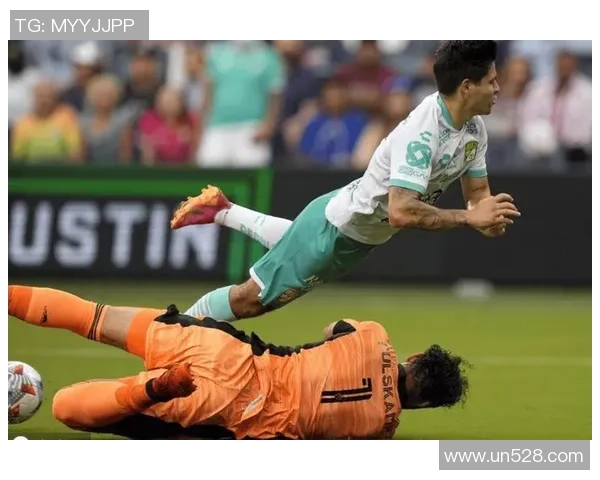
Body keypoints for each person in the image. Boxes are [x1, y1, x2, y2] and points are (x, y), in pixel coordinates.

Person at [171, 41, 521, 323]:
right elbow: (401, 211)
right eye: (491, 81)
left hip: (348, 229)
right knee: (251, 300)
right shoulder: (422, 133)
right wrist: (468, 217)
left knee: (294, 244)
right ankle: (173, 330)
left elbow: (477, 193)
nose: (497, 87)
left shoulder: (474, 129)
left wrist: (484, 214)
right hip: (335, 234)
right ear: (466, 87)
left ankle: (222, 210)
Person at [8, 285, 470, 440]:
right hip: (231, 411)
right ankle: (150, 391)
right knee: (66, 407)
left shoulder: (375, 337)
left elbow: (332, 330)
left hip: (226, 351)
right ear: (426, 405)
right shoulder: (378, 433)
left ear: (414, 358)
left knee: (94, 316)